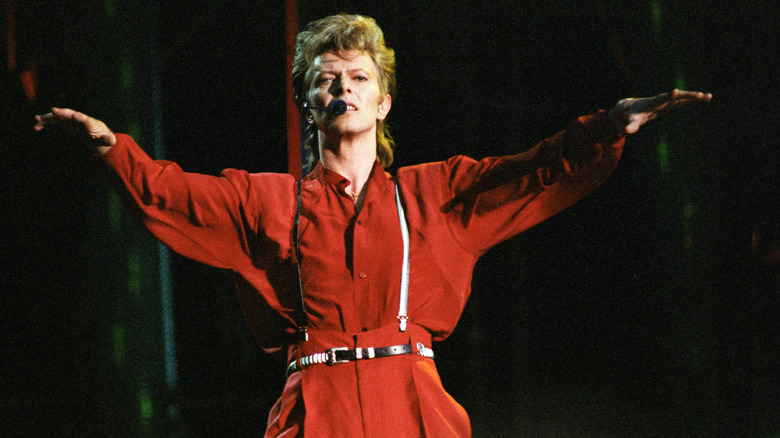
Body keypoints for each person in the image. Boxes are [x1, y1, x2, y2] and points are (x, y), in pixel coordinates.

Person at [34, 13, 711, 438]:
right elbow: (174, 194)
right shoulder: (266, 201)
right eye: (327, 79)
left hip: (410, 405)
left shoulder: (434, 194)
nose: (343, 88)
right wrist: (108, 145)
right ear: (308, 101)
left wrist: (609, 124)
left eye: (358, 77)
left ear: (383, 100)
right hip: (317, 408)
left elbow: (531, 171)